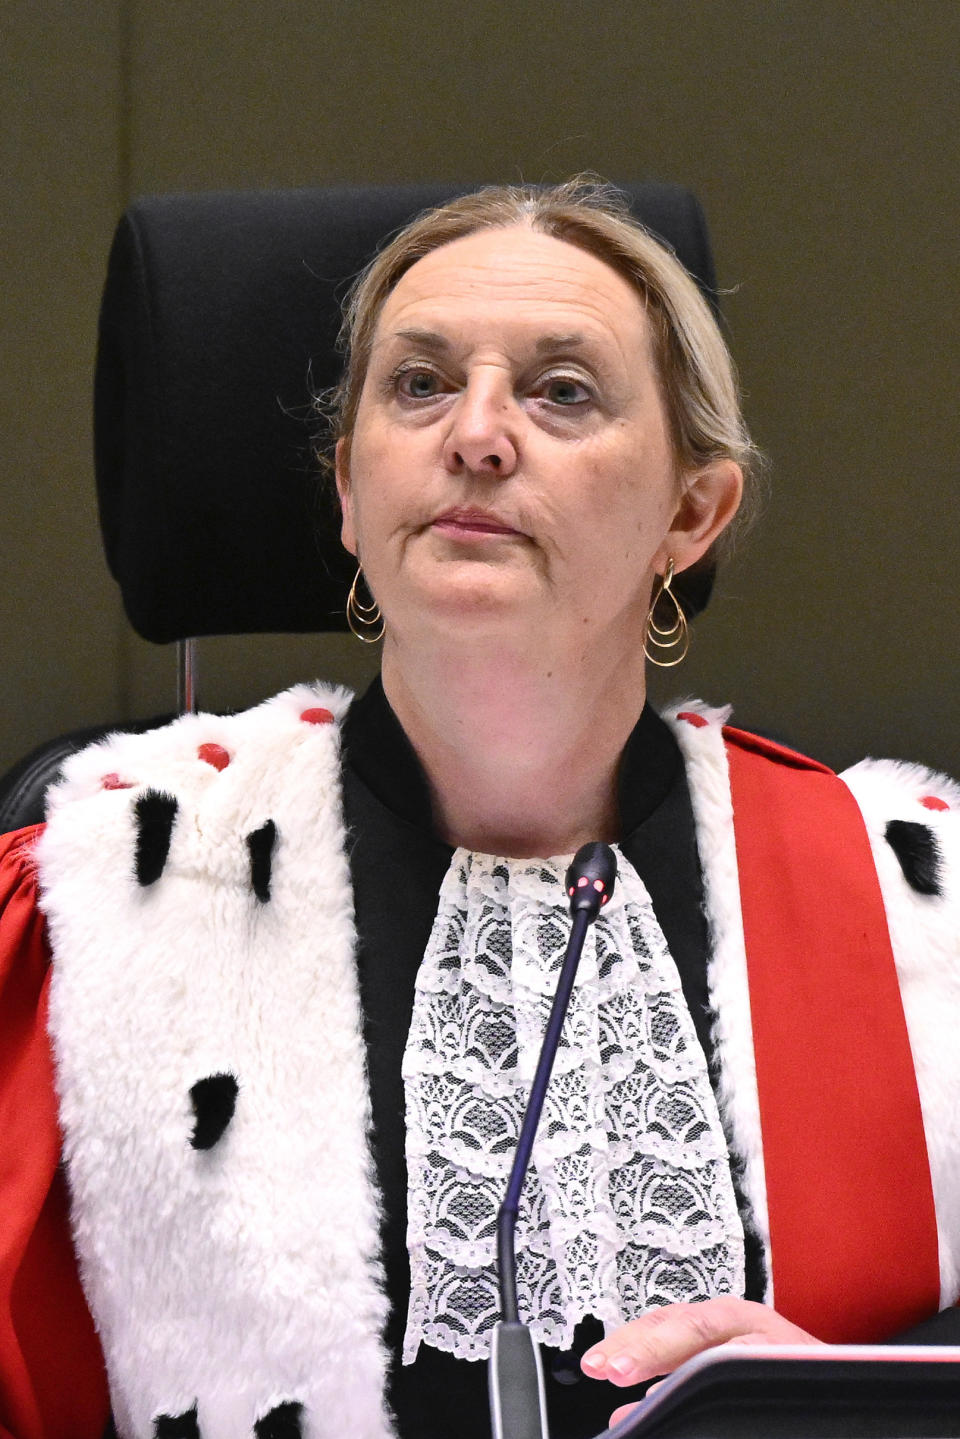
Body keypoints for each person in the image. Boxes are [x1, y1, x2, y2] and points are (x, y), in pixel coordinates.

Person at [1, 179, 958, 1439]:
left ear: (691, 513)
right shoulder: (91, 904)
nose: (478, 434)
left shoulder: (918, 909)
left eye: (563, 389)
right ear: (349, 490)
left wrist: (862, 1406)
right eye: (418, 384)